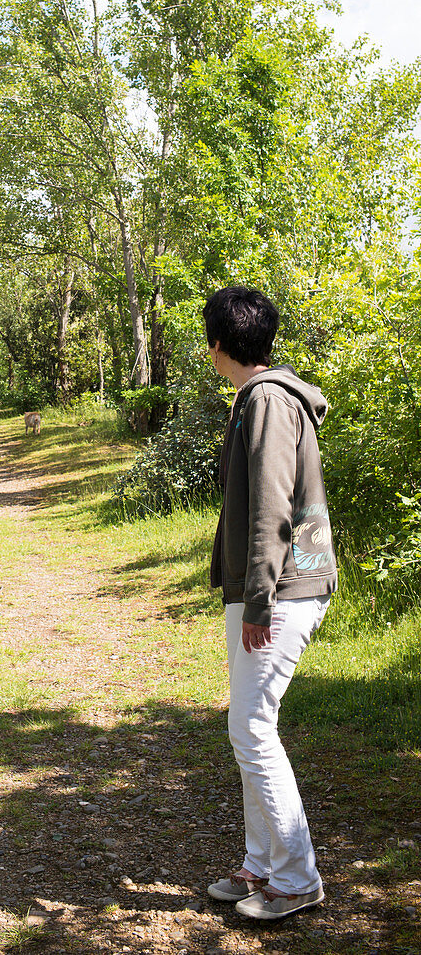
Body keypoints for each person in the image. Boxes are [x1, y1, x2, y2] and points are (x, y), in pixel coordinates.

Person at [203, 286, 337, 921]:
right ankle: (262, 866)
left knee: (251, 729)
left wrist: (258, 599)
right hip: (263, 588)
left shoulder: (267, 400)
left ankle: (295, 878)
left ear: (219, 344)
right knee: (248, 728)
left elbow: (271, 507)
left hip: (281, 588)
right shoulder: (262, 398)